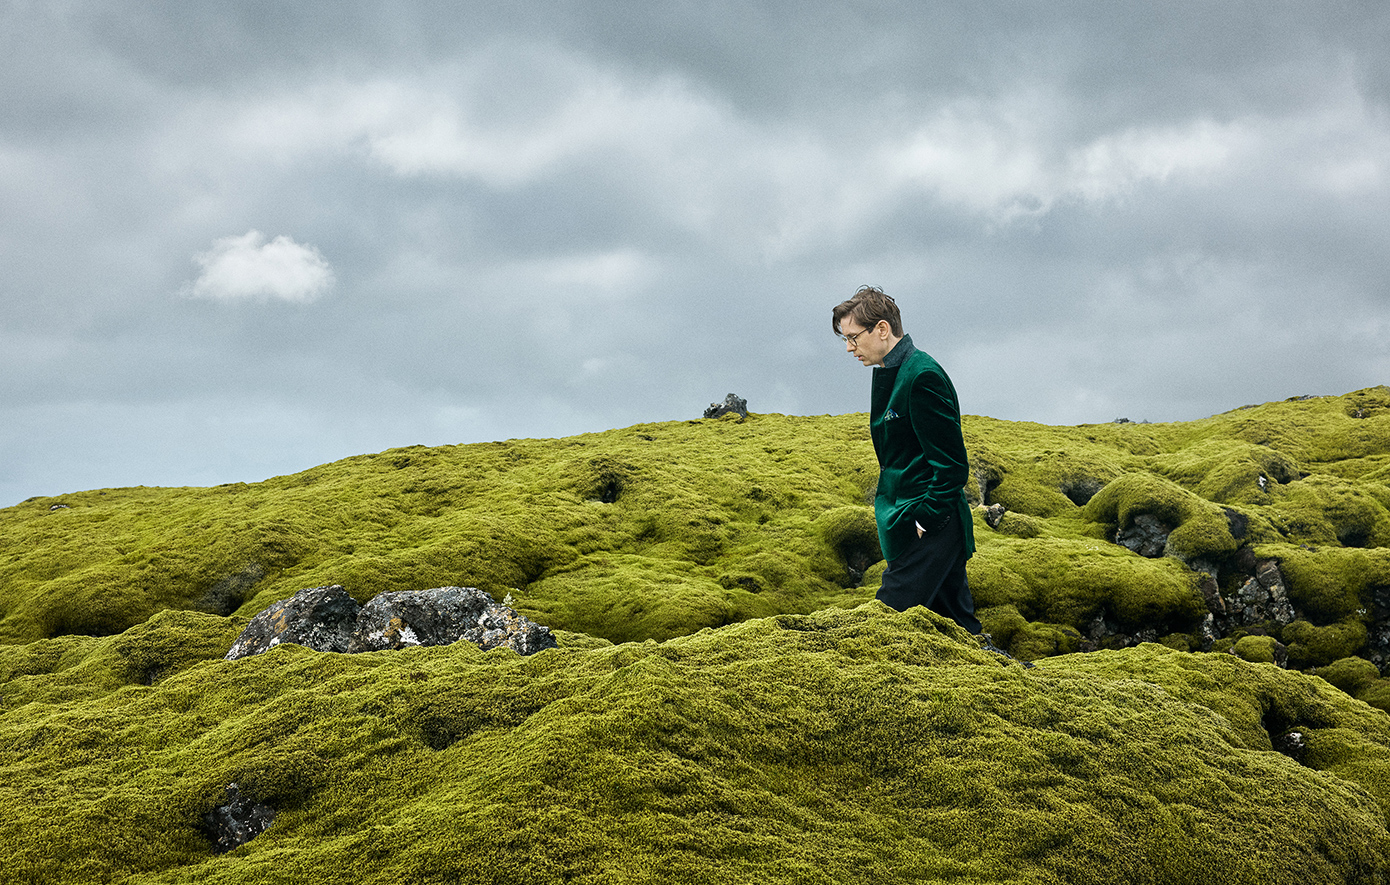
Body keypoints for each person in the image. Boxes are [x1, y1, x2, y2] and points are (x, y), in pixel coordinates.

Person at [832, 285, 981, 634]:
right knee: (958, 629)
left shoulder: (922, 377)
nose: (850, 348)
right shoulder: (890, 371)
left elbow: (953, 466)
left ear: (882, 329)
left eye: (854, 337)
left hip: (931, 525)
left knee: (882, 626)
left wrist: (923, 518)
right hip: (909, 523)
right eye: (845, 340)